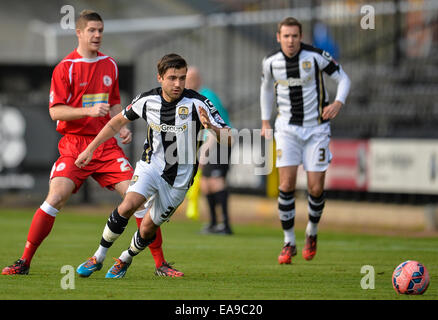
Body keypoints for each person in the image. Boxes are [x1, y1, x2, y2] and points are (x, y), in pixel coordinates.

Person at [2, 10, 177, 277]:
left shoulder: (110, 65)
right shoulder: (65, 67)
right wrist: (88, 111)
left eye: (100, 31)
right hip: (75, 146)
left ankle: (160, 265)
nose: (97, 35)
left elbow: (116, 102)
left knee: (139, 199)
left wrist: (123, 126)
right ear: (79, 33)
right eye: (92, 30)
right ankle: (24, 261)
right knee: (55, 197)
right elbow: (55, 112)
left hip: (106, 146)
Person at [75, 53, 231, 278]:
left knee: (148, 228)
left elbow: (229, 138)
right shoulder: (147, 100)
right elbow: (116, 121)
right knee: (129, 204)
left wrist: (212, 129)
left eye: (182, 78)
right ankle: (98, 257)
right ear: (160, 78)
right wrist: (90, 149)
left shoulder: (199, 103)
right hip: (150, 166)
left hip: (179, 178)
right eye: (172, 78)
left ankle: (125, 258)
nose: (178, 84)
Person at [260, 17, 350, 264]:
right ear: (279, 37)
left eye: (295, 36)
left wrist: (338, 103)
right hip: (287, 130)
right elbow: (266, 88)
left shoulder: (316, 56)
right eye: (286, 36)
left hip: (316, 130)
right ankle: (289, 241)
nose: (290, 41)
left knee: (315, 188)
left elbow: (344, 79)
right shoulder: (271, 62)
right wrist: (265, 120)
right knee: (286, 185)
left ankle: (312, 231)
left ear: (301, 37)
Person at [185, 66, 233, 235]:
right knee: (205, 184)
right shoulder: (192, 98)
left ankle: (225, 224)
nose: (188, 82)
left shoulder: (207, 96)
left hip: (221, 140)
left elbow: (214, 126)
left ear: (199, 80)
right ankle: (214, 223)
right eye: (186, 78)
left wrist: (204, 153)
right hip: (209, 142)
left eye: (191, 78)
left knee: (216, 181)